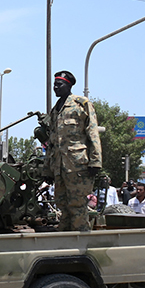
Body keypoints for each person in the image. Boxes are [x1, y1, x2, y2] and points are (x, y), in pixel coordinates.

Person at [42, 71, 102, 231]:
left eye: (59, 84)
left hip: (77, 166)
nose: (55, 87)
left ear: (68, 85)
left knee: (77, 205)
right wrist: (47, 169)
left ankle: (80, 240)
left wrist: (95, 161)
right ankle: (65, 238)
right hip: (59, 167)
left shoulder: (81, 104)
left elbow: (93, 133)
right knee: (62, 204)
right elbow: (52, 142)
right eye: (54, 84)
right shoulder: (55, 110)